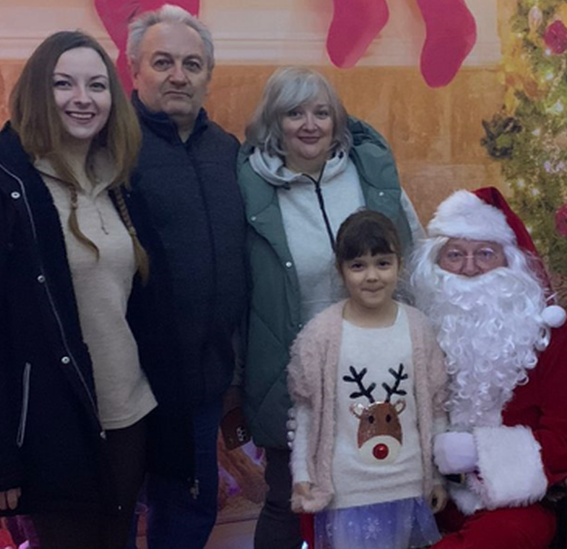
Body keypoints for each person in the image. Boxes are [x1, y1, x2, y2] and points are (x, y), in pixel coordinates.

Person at [0, 30, 189, 549]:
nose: (83, 98)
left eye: (97, 85)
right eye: (64, 84)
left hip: (128, 416)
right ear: (37, 91)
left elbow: (147, 309)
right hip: (51, 428)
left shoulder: (119, 179)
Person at [238, 66, 425, 549]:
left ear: (337, 120)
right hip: (292, 367)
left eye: (322, 112)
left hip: (377, 365)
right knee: (289, 498)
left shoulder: (371, 177)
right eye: (294, 113)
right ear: (273, 121)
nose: (310, 124)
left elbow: (413, 252)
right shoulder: (249, 189)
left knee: (374, 494)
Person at [409, 187, 567, 549]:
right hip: (432, 490)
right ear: (435, 263)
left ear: (510, 260)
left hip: (521, 500)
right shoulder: (421, 327)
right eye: (454, 255)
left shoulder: (555, 336)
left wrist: (479, 451)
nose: (468, 269)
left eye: (484, 253)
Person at [126, 5, 248, 547]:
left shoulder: (228, 151)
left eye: (193, 64)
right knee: (116, 516)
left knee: (190, 511)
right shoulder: (110, 147)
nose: (179, 75)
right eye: (163, 61)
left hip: (202, 383)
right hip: (126, 385)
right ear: (134, 71)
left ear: (207, 76)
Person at [287, 210, 448, 549]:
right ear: (341, 271)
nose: (372, 276)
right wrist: (302, 474)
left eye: (383, 264)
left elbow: (434, 410)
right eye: (358, 266)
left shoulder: (419, 329)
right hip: (347, 492)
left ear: (399, 265)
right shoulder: (322, 334)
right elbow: (306, 412)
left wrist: (436, 477)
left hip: (407, 487)